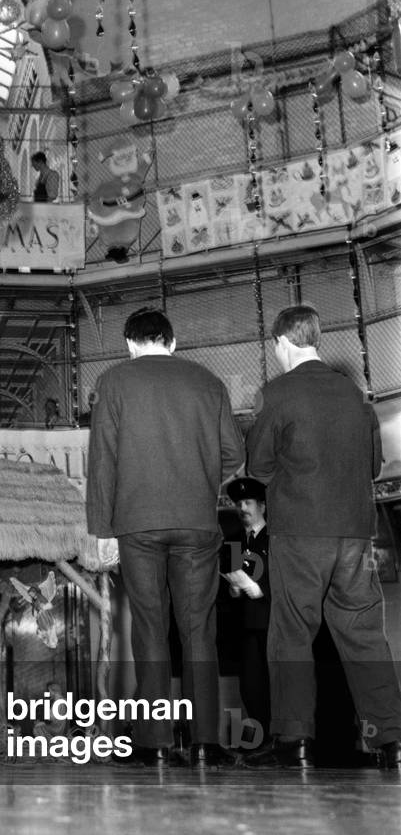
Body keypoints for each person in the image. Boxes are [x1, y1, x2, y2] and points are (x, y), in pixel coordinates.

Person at [85, 307, 244, 768]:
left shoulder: (113, 382)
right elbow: (234, 452)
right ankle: (204, 744)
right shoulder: (208, 381)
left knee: (151, 630)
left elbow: (103, 461)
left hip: (136, 524)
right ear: (172, 343)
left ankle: (154, 743)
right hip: (197, 523)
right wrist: (197, 479)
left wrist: (102, 529)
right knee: (199, 631)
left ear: (130, 344)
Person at [244, 304, 401, 769]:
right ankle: (392, 740)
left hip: (300, 534)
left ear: (281, 343)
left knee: (291, 635)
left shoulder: (276, 394)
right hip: (355, 534)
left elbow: (258, 468)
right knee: (366, 638)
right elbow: (373, 466)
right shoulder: (356, 394)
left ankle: (296, 742)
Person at [222, 477, 271, 746]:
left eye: (248, 502)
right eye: (239, 503)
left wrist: (259, 587)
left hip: (272, 622)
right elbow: (229, 584)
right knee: (251, 688)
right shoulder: (233, 540)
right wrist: (235, 588)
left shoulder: (274, 536)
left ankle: (280, 741)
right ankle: (260, 743)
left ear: (261, 505)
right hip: (246, 626)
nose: (243, 508)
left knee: (276, 684)